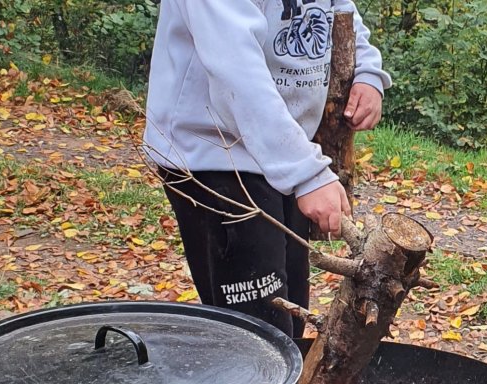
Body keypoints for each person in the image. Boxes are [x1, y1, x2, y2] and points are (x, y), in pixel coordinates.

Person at [143, 0, 391, 337]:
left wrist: (367, 73)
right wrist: (307, 175)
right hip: (215, 156)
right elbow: (234, 66)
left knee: (290, 319)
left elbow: (339, 9)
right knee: (258, 337)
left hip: (284, 152)